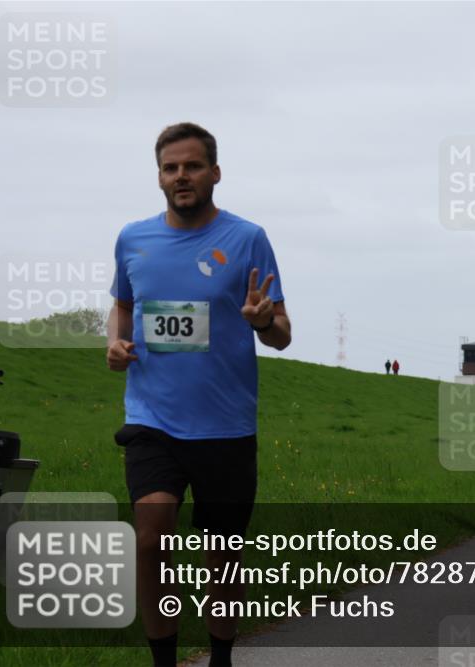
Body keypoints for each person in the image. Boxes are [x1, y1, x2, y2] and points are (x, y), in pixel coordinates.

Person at [107, 122, 291, 667]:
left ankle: (220, 657)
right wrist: (115, 342)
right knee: (150, 538)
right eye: (170, 168)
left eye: (192, 166)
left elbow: (282, 334)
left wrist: (262, 321)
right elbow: (123, 304)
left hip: (226, 424)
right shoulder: (133, 238)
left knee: (222, 556)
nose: (181, 176)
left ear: (215, 173)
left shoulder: (247, 238)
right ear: (159, 177)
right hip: (152, 418)